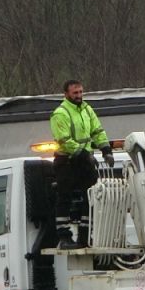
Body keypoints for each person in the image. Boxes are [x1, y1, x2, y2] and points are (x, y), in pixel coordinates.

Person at [50, 79, 113, 250]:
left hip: (84, 162)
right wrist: (84, 154)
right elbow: (63, 140)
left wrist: (106, 150)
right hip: (67, 162)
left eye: (80, 92)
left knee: (91, 198)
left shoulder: (87, 109)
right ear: (66, 94)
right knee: (65, 198)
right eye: (75, 93)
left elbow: (98, 131)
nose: (79, 96)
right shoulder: (60, 114)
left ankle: (86, 236)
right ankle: (64, 238)